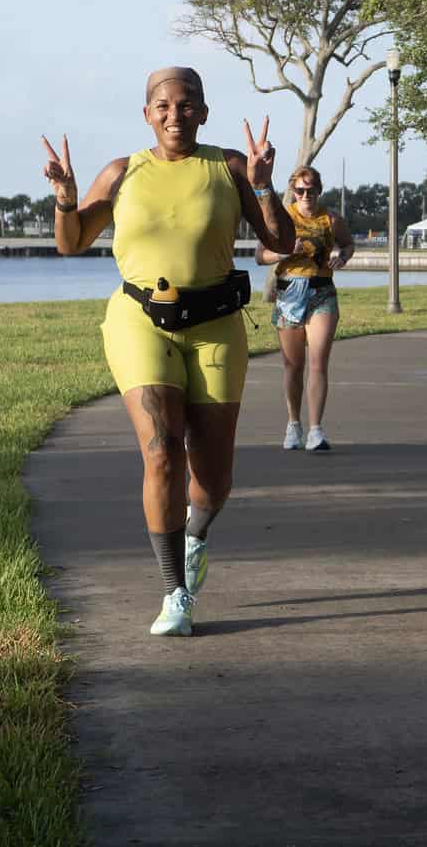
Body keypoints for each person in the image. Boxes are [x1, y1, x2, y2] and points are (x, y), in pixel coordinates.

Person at [41, 66, 295, 638]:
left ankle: (197, 532)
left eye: (187, 105)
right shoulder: (124, 171)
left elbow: (282, 243)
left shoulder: (229, 167)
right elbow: (71, 242)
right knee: (161, 450)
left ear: (204, 112)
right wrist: (65, 200)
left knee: (213, 476)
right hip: (139, 321)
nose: (174, 114)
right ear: (147, 113)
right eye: (163, 105)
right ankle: (173, 591)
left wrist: (262, 184)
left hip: (214, 326)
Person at [257, 164, 354, 451]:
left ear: (319, 190)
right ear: (293, 191)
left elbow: (348, 245)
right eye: (300, 190)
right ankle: (293, 424)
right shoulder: (281, 218)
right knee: (293, 366)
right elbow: (260, 256)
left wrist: (342, 257)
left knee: (318, 363)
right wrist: (285, 251)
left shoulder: (331, 219)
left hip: (321, 293)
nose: (306, 194)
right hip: (288, 295)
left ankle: (315, 430)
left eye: (311, 189)